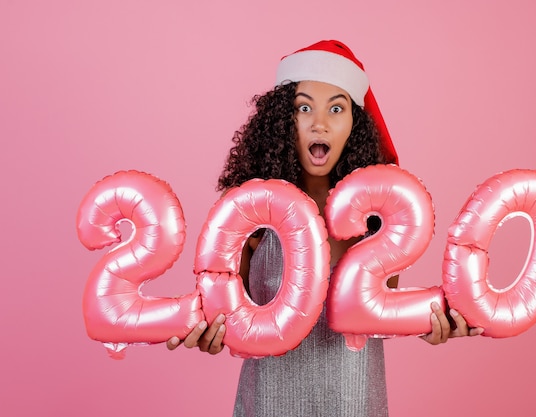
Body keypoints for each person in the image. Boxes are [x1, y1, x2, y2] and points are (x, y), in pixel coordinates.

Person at [167, 40, 483, 416]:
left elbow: (384, 318)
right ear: (283, 120)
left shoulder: (378, 222)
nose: (320, 122)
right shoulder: (250, 217)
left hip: (356, 403)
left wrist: (434, 325)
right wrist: (210, 332)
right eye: (304, 108)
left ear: (354, 123)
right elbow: (228, 316)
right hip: (269, 404)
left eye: (337, 108)